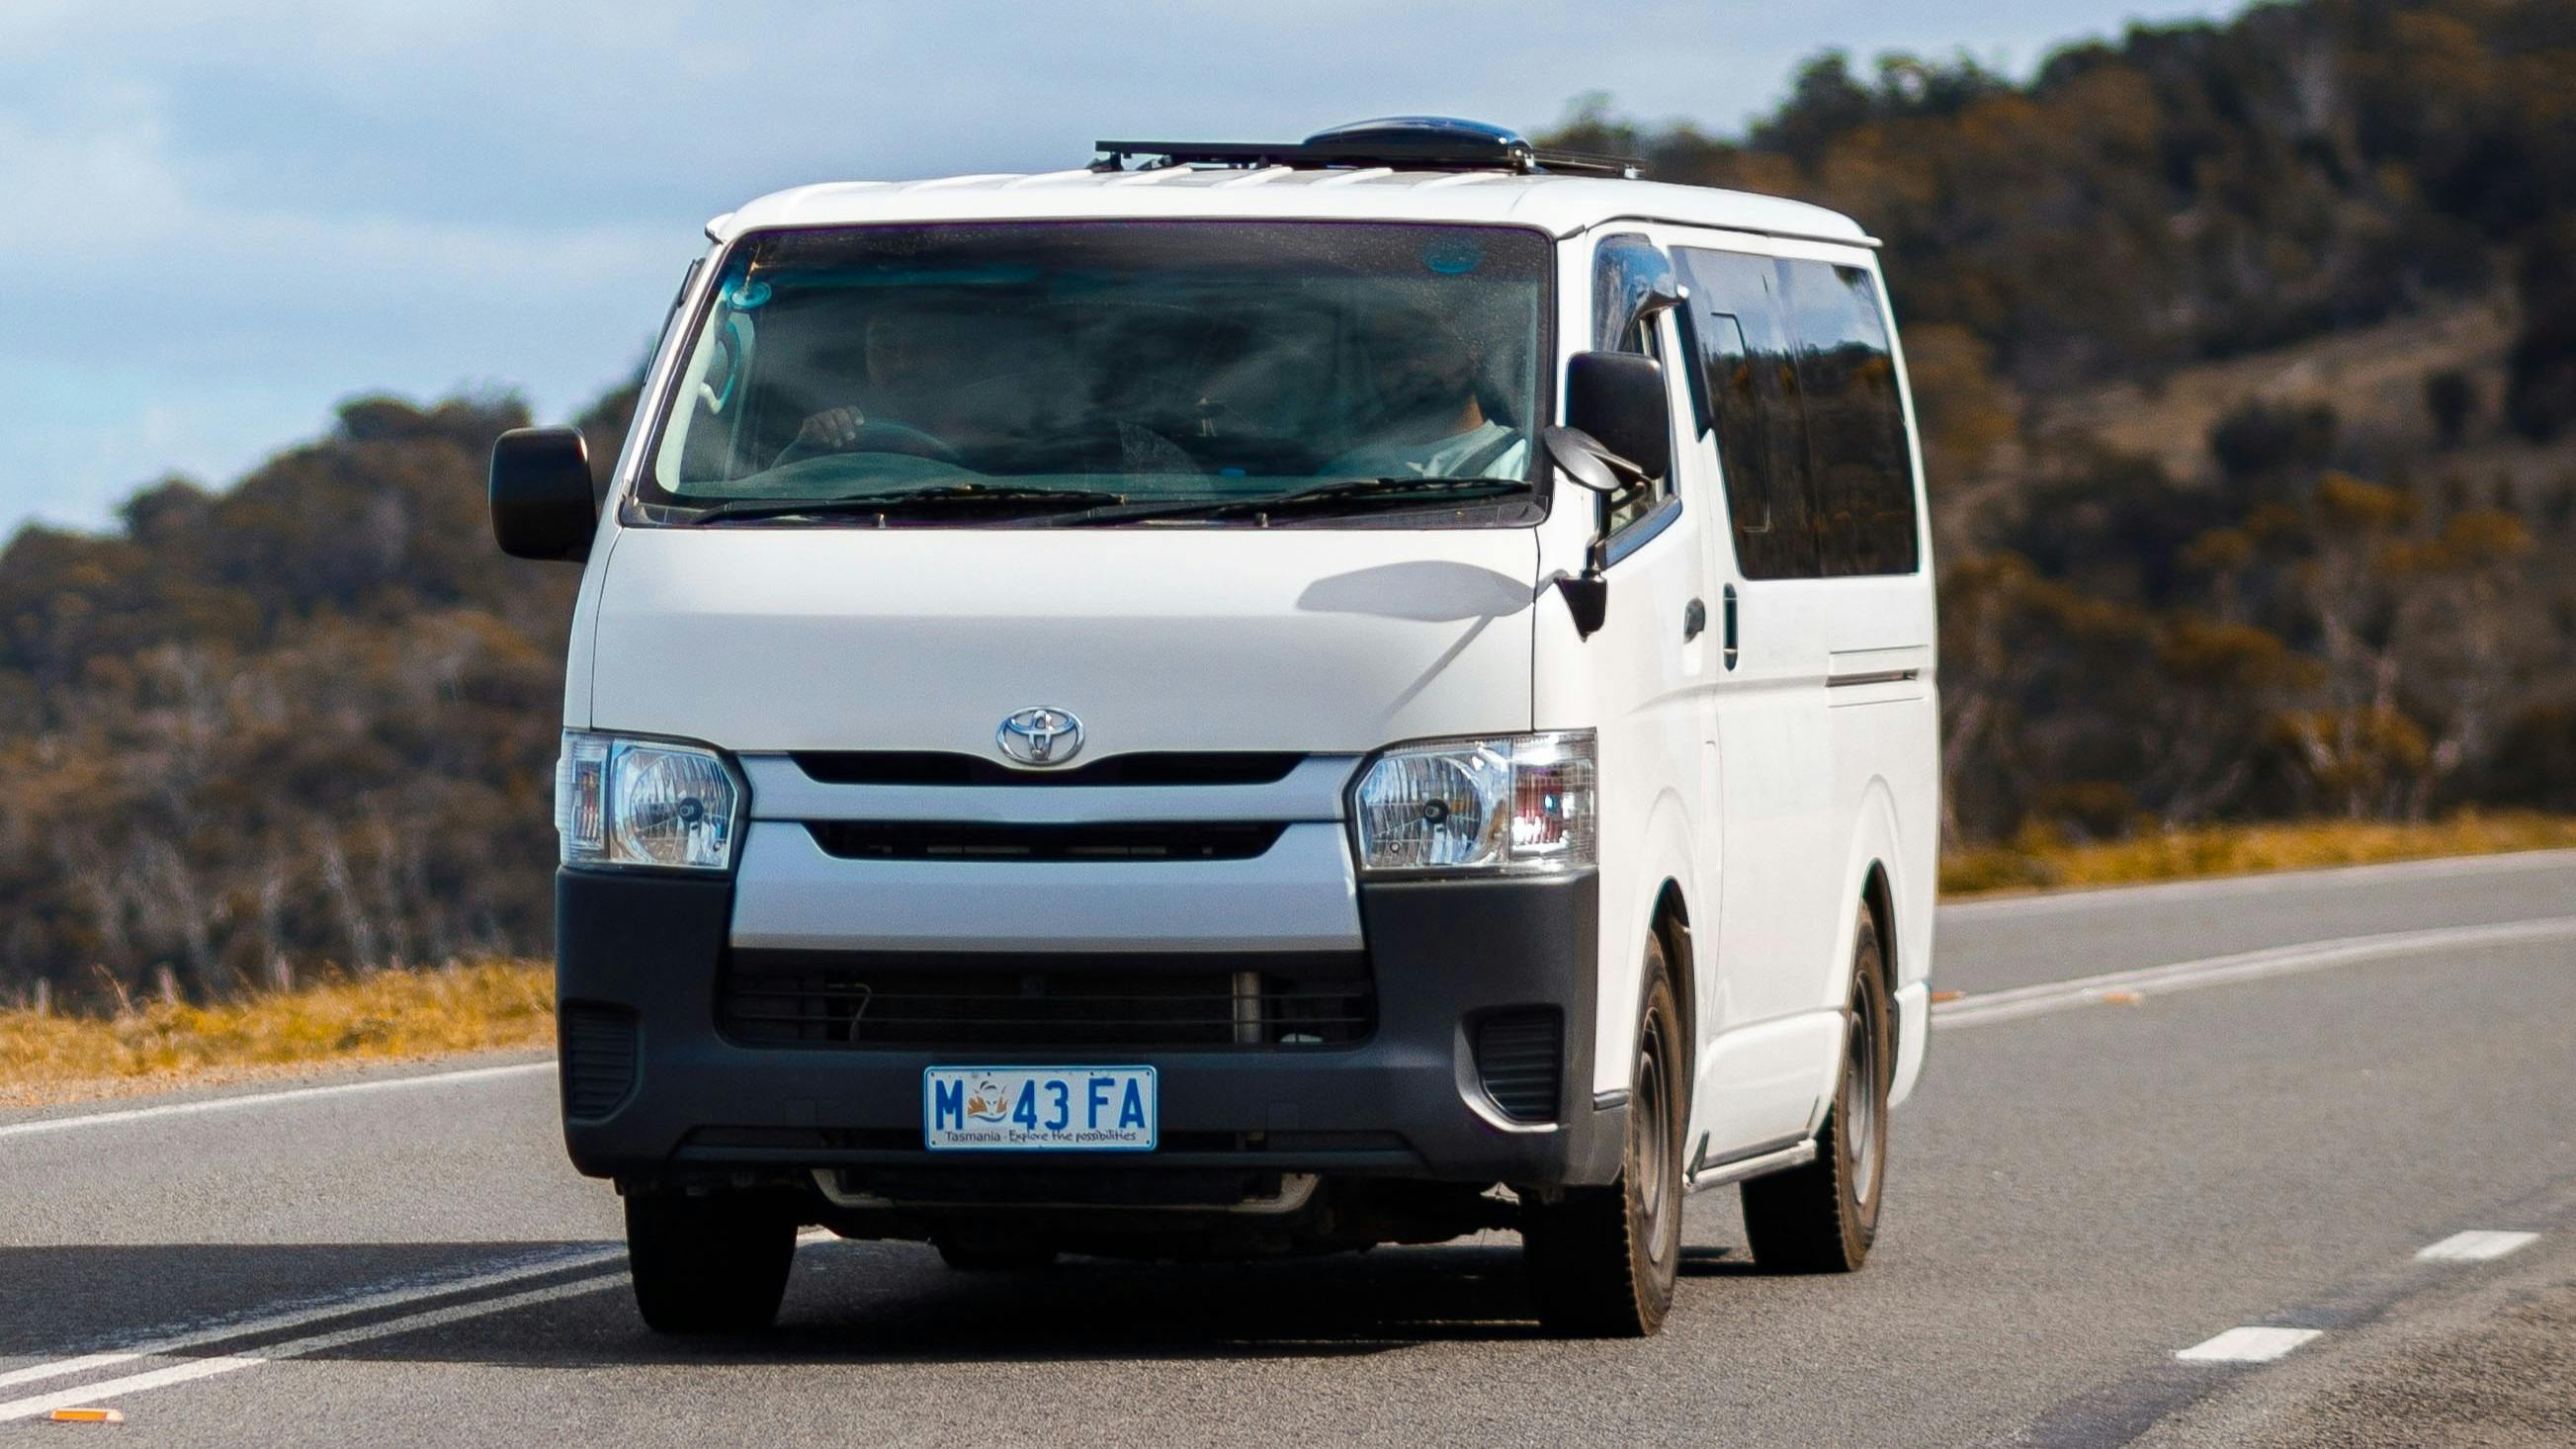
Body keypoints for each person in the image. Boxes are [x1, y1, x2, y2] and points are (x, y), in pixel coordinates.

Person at [1314, 309, 1525, 480]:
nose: (1412, 364)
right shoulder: (1345, 474)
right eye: (1391, 353)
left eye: (1429, 346)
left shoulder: (1522, 463)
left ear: (1473, 353)